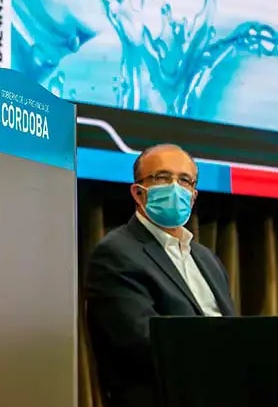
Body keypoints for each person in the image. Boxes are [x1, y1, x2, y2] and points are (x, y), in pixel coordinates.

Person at [84, 144, 236, 407]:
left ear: (193, 196)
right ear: (138, 192)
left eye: (185, 181)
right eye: (162, 178)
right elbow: (142, 343)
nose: (175, 188)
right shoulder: (116, 254)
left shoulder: (207, 259)